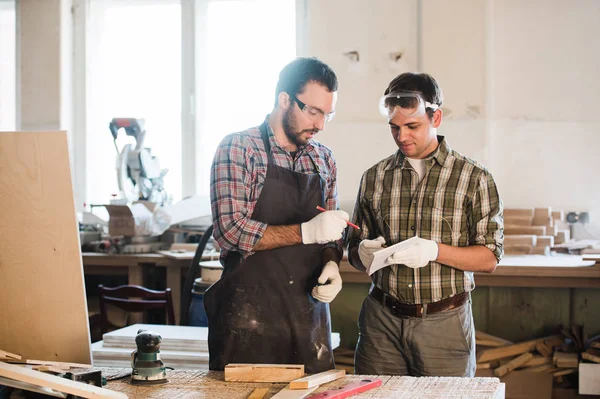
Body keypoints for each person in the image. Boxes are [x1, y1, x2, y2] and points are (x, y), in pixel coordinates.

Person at [347, 72, 504, 377]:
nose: (402, 136)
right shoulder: (374, 177)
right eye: (394, 127)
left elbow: (490, 258)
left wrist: (434, 250)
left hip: (443, 324)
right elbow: (353, 248)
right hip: (381, 323)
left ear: (437, 118)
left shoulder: (474, 178)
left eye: (412, 126)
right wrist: (361, 253)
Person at [205, 57, 349, 373]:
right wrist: (306, 232)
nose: (320, 124)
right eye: (313, 111)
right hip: (247, 323)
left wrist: (331, 262)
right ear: (284, 99)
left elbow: (332, 234)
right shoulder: (239, 148)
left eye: (328, 114)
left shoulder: (323, 160)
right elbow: (231, 231)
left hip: (308, 321)